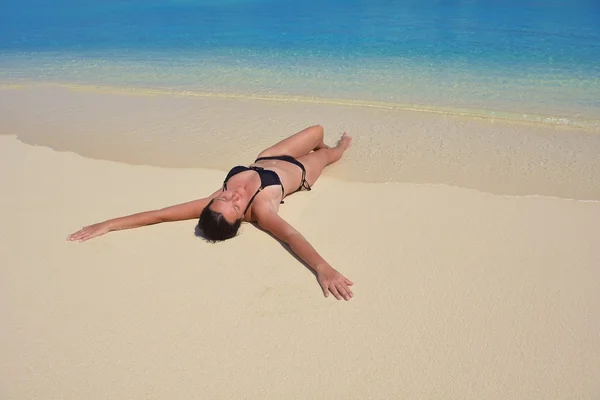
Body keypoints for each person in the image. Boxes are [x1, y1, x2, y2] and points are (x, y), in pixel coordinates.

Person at [68, 125, 354, 300]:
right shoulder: (263, 210)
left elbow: (159, 214)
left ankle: (321, 144)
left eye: (225, 198)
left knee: (317, 131)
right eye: (236, 205)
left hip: (269, 157)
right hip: (301, 174)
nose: (234, 196)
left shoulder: (213, 200)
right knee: (331, 153)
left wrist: (108, 224)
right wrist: (322, 268)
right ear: (243, 215)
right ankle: (337, 148)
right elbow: (291, 236)